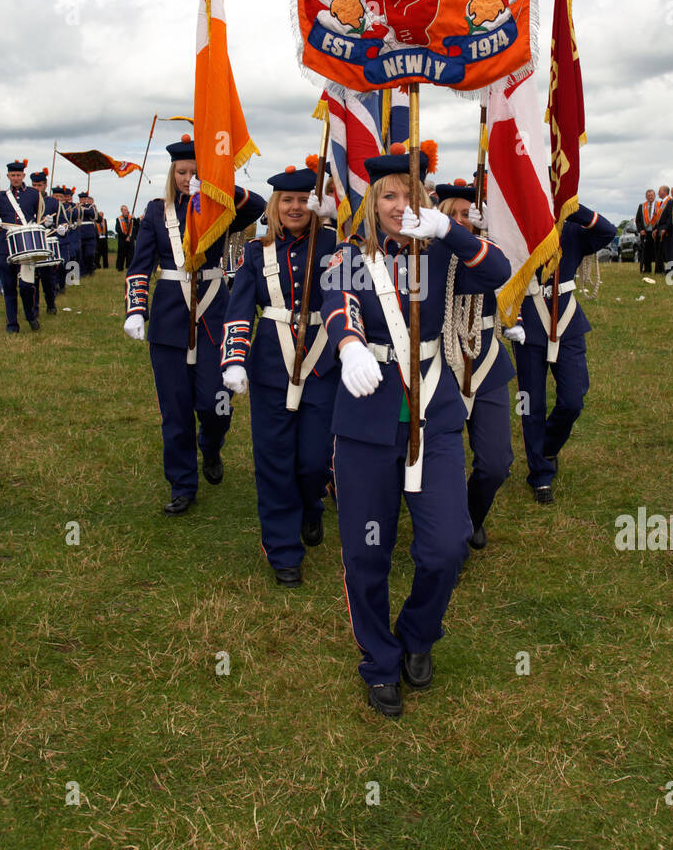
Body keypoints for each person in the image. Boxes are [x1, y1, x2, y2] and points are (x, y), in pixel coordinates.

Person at [321, 147, 510, 719]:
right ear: (371, 203)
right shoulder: (349, 256)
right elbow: (339, 304)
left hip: (435, 411)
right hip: (367, 417)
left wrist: (449, 228)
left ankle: (418, 633)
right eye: (388, 196)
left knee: (447, 545)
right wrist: (349, 344)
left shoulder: (441, 250)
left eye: (409, 194)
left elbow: (500, 271)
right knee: (366, 553)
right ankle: (380, 660)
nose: (400, 206)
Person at [123, 137, 265, 514]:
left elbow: (261, 208)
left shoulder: (221, 208)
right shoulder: (156, 212)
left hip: (214, 312)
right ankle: (182, 483)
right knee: (175, 408)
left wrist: (220, 187)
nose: (188, 179)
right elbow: (139, 265)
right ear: (173, 174)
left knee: (215, 402)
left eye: (195, 172)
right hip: (170, 316)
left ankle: (212, 445)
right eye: (182, 172)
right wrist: (135, 308)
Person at [221, 164, 340, 584]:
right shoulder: (257, 251)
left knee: (313, 461)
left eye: (302, 200)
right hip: (271, 366)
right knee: (273, 462)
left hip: (324, 364)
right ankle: (283, 552)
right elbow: (239, 308)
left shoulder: (337, 244)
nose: (294, 207)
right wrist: (234, 359)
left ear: (315, 203)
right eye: (286, 200)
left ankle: (312, 504)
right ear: (275, 205)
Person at [511, 204, 616, 504]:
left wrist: (572, 208)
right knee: (531, 404)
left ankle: (546, 447)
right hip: (529, 323)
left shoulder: (570, 229)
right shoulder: (516, 231)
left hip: (566, 320)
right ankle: (540, 475)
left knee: (573, 399)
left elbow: (607, 231)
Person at [436, 180, 515, 552]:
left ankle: (472, 515)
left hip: (485, 361)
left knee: (496, 462)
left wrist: (487, 232)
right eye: (452, 215)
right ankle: (450, 529)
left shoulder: (485, 254)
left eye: (467, 215)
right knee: (441, 463)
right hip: (442, 363)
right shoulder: (431, 256)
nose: (460, 221)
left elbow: (498, 271)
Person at [0, 161, 44, 333]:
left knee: (26, 286)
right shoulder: (1, 196)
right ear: (8, 176)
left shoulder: (34, 194)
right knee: (8, 287)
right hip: (6, 246)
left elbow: (41, 218)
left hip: (27, 246)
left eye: (18, 175)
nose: (16, 178)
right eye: (12, 175)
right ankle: (12, 325)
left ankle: (30, 315)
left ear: (23, 176)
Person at [30, 170, 58, 316]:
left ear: (45, 185)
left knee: (48, 278)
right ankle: (34, 308)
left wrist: (57, 227)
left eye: (39, 185)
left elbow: (63, 223)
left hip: (46, 243)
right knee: (32, 279)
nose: (36, 188)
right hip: (31, 243)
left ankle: (51, 304)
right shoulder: (27, 199)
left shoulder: (53, 202)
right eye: (34, 185)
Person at [635, 189, 658, 273]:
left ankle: (658, 270)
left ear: (654, 196)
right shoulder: (642, 206)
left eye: (651, 195)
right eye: (648, 196)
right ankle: (647, 269)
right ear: (646, 197)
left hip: (655, 232)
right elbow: (638, 220)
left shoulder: (659, 205)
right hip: (645, 233)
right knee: (646, 253)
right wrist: (640, 230)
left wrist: (657, 229)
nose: (650, 197)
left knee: (657, 252)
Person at [654, 185, 673, 275]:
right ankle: (661, 269)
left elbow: (669, 217)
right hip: (660, 228)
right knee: (661, 251)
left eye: (660, 191)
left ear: (665, 192)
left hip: (666, 231)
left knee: (668, 251)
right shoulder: (661, 203)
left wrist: (665, 228)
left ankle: (670, 270)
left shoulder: (669, 202)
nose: (658, 193)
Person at [78, 192, 98, 276]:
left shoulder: (90, 207)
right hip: (80, 234)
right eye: (81, 199)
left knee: (89, 254)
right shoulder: (76, 207)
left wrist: (82, 209)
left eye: (84, 198)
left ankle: (90, 268)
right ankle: (83, 272)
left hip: (90, 234)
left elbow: (91, 213)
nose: (83, 200)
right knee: (81, 255)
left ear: (87, 199)